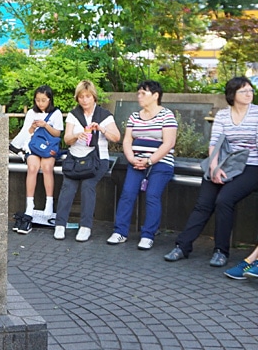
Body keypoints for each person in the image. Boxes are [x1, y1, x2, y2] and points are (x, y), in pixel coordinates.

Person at [165, 76, 258, 266]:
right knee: (203, 203)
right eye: (244, 90)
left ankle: (221, 251)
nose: (249, 93)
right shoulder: (223, 115)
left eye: (250, 90)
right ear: (232, 94)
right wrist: (215, 168)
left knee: (224, 200)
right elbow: (214, 143)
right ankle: (182, 247)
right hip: (224, 163)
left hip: (251, 165)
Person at [107, 80, 177, 250]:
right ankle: (120, 232)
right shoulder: (134, 116)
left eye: (143, 93)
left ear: (155, 95)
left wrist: (150, 160)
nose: (139, 96)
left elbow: (168, 143)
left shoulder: (167, 115)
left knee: (152, 195)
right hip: (136, 162)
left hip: (160, 163)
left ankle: (148, 235)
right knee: (127, 193)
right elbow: (127, 140)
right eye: (138, 93)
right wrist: (131, 159)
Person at [54, 80, 121, 242]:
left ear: (94, 97)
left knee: (88, 186)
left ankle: (85, 226)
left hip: (97, 159)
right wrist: (77, 135)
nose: (85, 100)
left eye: (88, 96)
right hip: (75, 158)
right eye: (81, 97)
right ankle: (60, 225)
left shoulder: (104, 115)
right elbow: (67, 139)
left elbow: (117, 137)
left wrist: (102, 129)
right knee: (67, 187)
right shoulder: (73, 115)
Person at [11, 85, 64, 234]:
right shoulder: (31, 113)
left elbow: (57, 133)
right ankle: (30, 204)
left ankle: (49, 202)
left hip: (48, 148)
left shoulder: (56, 113)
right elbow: (26, 133)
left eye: (44, 100)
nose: (40, 103)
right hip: (33, 147)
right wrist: (33, 127)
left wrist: (45, 125)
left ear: (49, 100)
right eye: (38, 100)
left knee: (47, 168)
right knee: (32, 168)